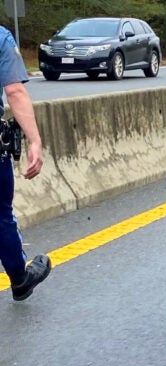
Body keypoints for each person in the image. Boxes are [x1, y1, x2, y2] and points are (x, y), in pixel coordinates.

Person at [0, 25, 51, 301]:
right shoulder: (1, 38)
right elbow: (15, 92)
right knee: (1, 215)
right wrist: (34, 141)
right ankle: (20, 279)